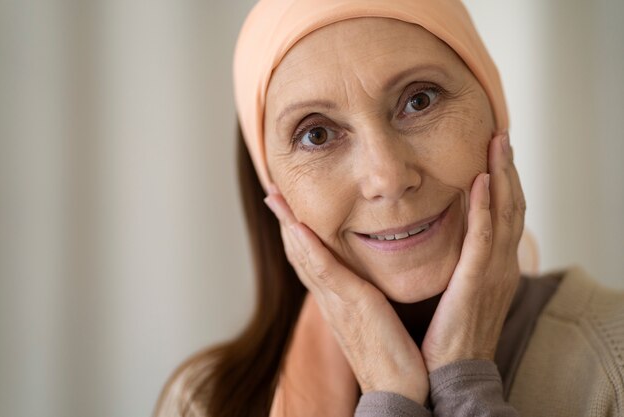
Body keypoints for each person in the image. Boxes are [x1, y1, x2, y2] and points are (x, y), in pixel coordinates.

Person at [155, 1, 624, 416]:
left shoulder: (616, 361)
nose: (388, 179)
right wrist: (391, 397)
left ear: (494, 111)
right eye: (316, 134)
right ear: (274, 188)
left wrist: (464, 383)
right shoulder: (207, 401)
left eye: (419, 100)